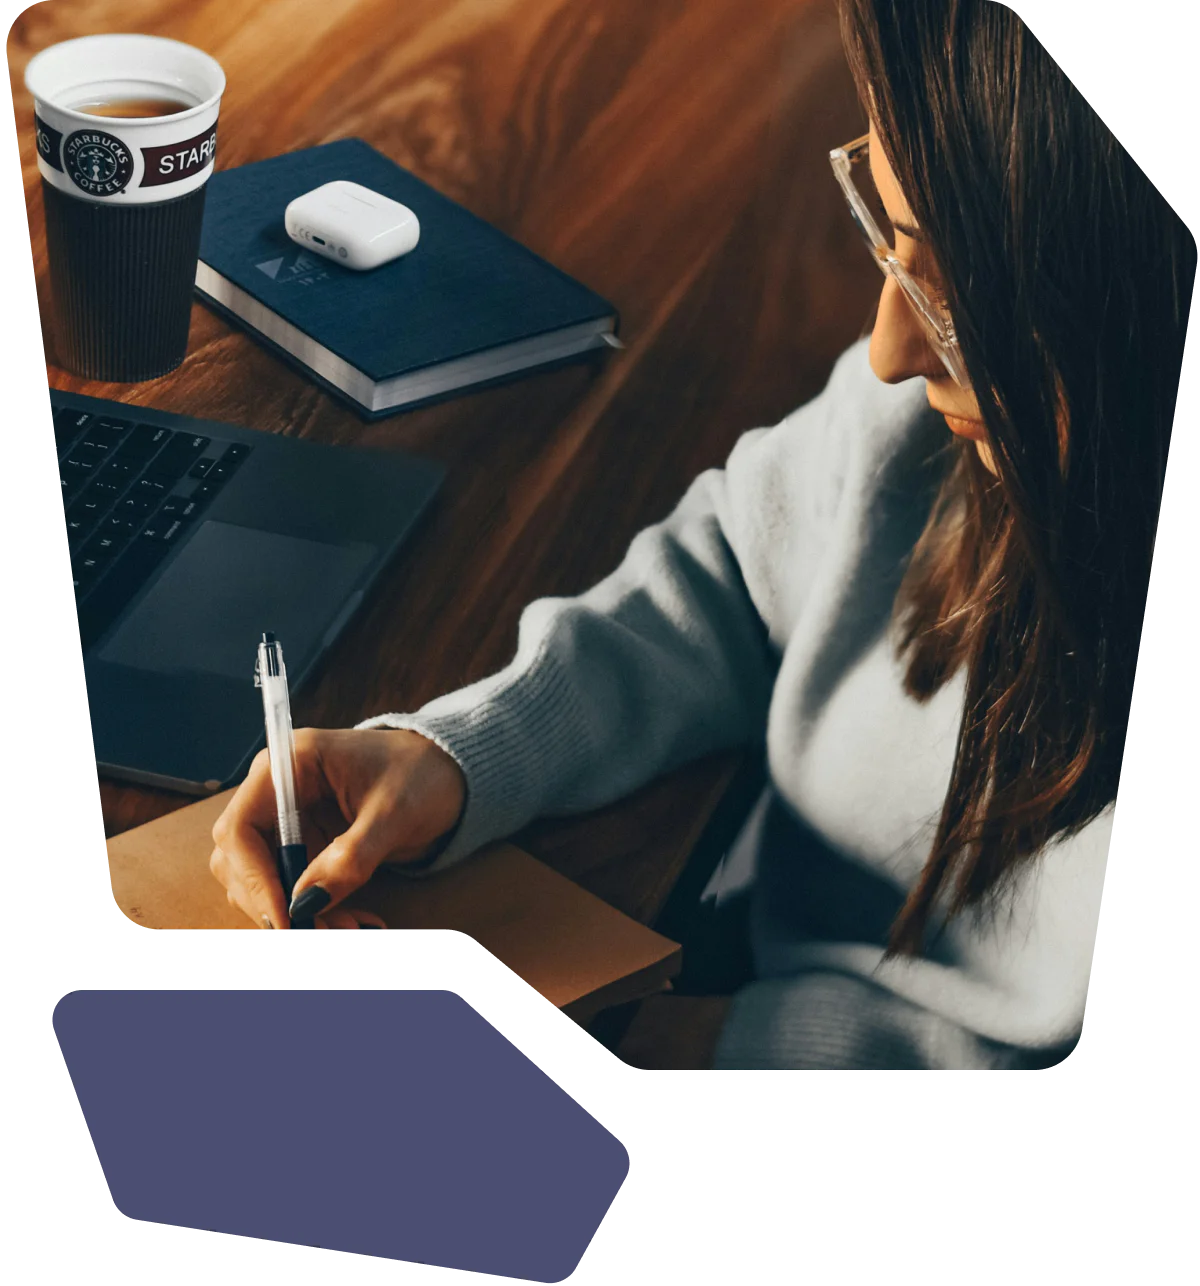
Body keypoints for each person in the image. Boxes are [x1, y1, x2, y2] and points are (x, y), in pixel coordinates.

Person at [208, 0, 1195, 1069]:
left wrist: (718, 1042)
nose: (888, 350)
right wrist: (461, 755)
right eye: (899, 247)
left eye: (969, 303)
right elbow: (738, 565)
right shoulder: (929, 426)